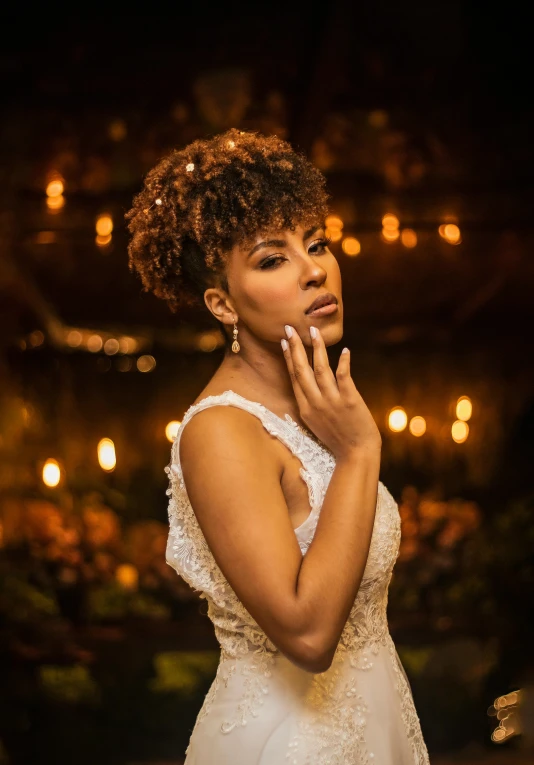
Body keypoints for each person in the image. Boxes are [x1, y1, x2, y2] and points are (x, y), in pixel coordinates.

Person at [126, 128, 430, 764]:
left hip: (377, 728)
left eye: (315, 243)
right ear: (222, 303)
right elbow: (309, 634)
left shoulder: (318, 407)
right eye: (272, 258)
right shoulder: (220, 432)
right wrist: (359, 453)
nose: (316, 269)